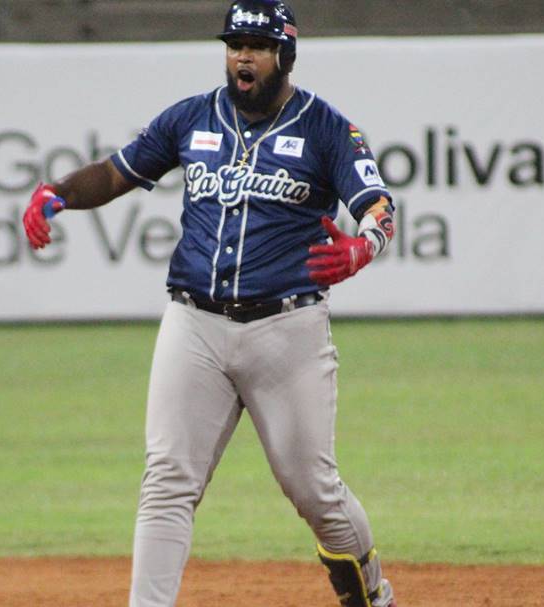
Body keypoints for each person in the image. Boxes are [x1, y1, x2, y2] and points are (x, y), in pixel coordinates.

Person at [23, 1, 397, 605]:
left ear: (286, 54)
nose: (242, 56)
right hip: (193, 323)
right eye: (233, 43)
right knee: (167, 481)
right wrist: (57, 194)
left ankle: (371, 592)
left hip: (288, 330)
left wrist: (363, 247)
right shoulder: (192, 117)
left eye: (256, 45)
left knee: (314, 491)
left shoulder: (327, 129)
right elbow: (117, 172)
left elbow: (379, 205)